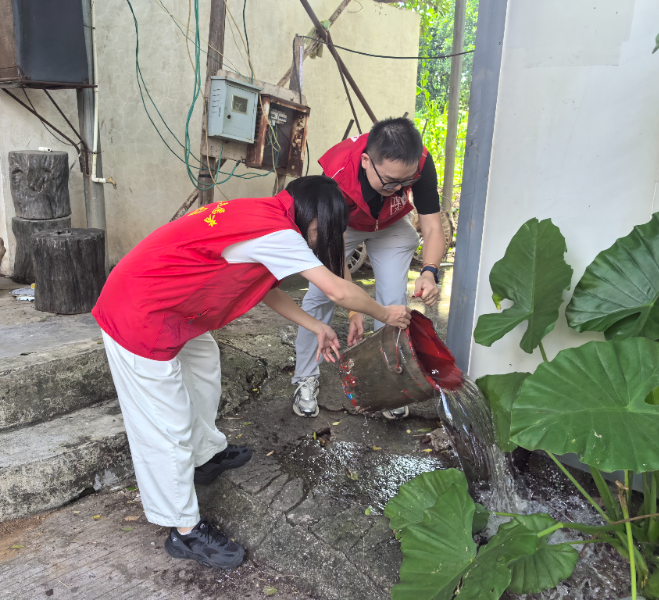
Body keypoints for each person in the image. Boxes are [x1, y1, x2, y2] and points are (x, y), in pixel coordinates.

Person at [92, 176, 411, 570]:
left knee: (203, 367)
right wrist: (385, 313)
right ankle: (183, 529)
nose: (320, 242)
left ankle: (204, 457)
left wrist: (316, 326)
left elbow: (265, 288)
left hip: (172, 305)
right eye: (324, 232)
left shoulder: (268, 216)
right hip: (138, 312)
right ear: (314, 218)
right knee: (164, 425)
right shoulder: (278, 231)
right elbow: (338, 291)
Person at [292, 117, 445, 420]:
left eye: (405, 183)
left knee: (393, 302)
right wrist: (354, 309)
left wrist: (429, 271)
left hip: (390, 225)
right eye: (389, 181)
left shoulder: (420, 163)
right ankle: (305, 378)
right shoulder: (337, 175)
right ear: (366, 162)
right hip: (344, 227)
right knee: (321, 294)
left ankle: (388, 383)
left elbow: (431, 226)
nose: (397, 188)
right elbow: (332, 251)